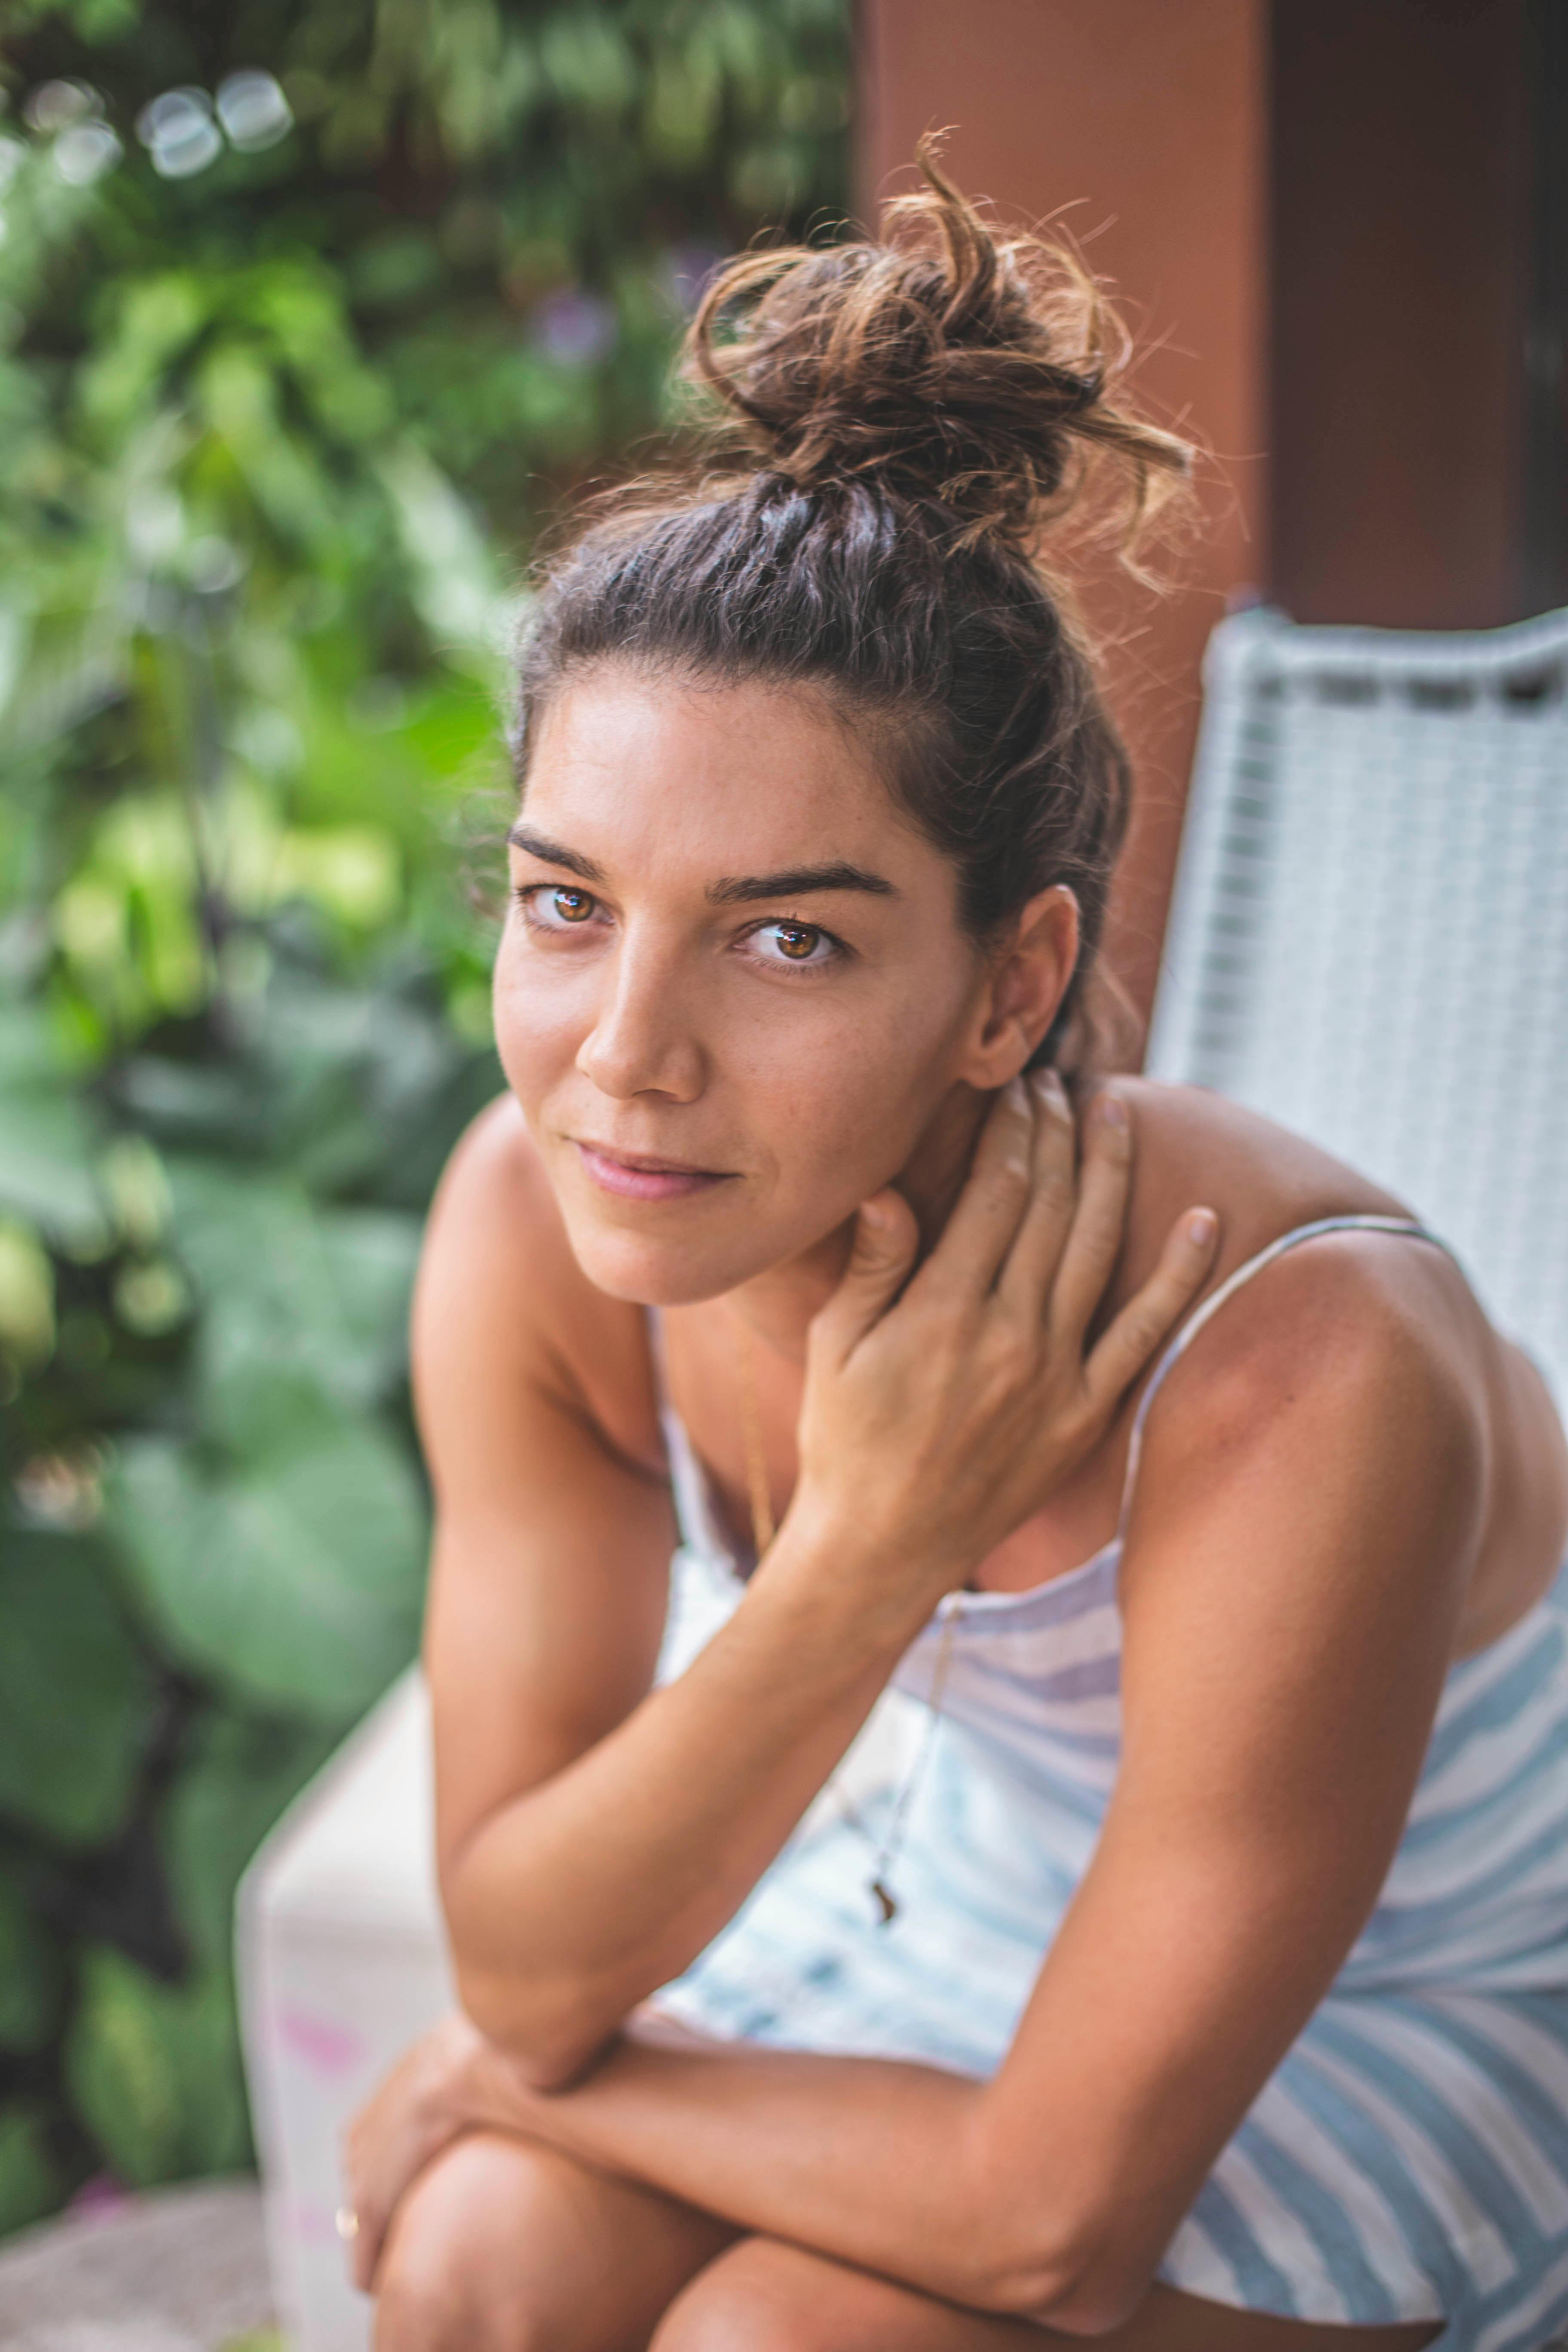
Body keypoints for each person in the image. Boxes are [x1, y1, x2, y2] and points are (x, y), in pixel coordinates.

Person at [340, 154, 1568, 2352]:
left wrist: (571, 2091)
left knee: (776, 2345)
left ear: (1014, 988)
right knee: (479, 2263)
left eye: (786, 937)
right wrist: (868, 1541)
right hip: (1010, 1906)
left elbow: (1045, 2235)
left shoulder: (1298, 1371)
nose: (626, 1061)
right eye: (566, 902)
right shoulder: (536, 1233)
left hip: (1443, 1985)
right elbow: (521, 1963)